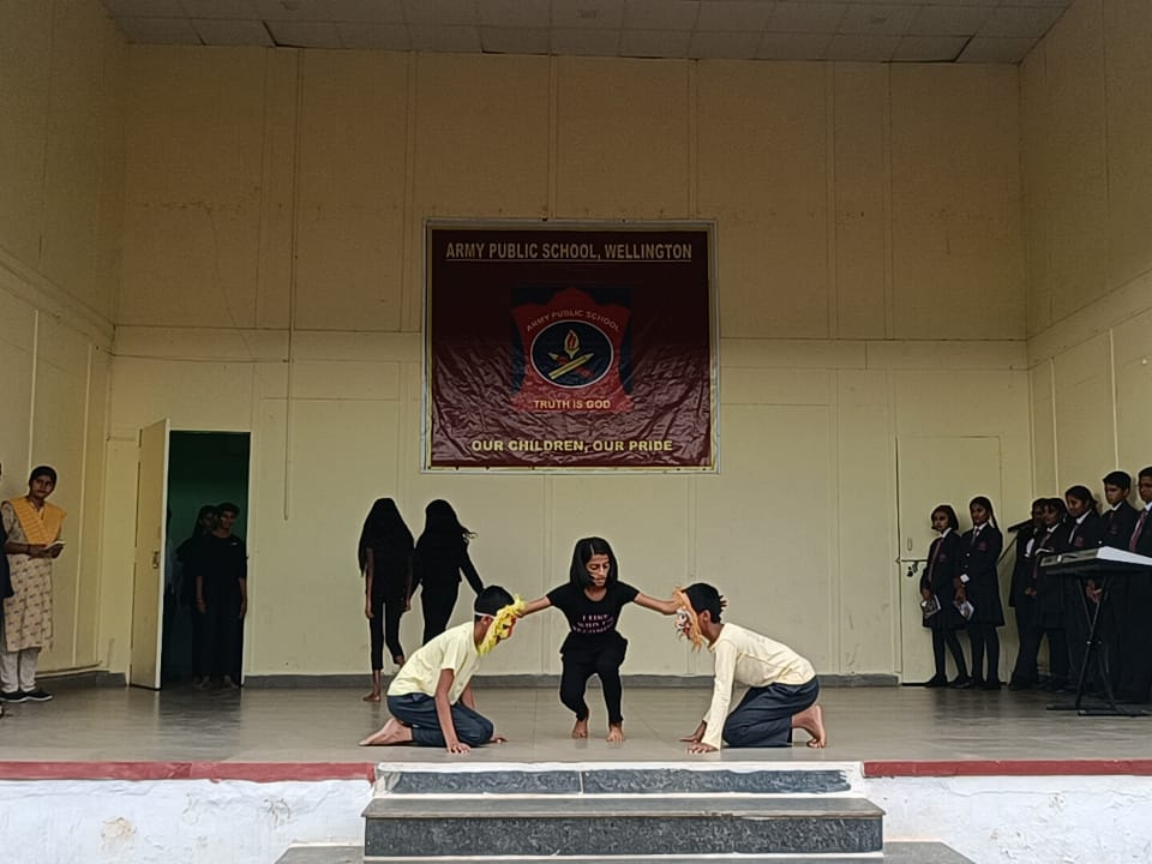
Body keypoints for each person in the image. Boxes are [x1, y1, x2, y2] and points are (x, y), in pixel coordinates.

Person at [518, 536, 679, 742]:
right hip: (577, 649)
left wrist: (695, 600)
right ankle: (582, 714)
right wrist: (500, 612)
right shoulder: (567, 593)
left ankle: (615, 723)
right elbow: (526, 609)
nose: (602, 572)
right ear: (581, 567)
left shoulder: (618, 590)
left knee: (607, 667)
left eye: (606, 566)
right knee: (569, 696)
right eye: (594, 567)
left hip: (608, 645)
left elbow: (664, 608)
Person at [359, 585, 521, 752]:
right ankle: (404, 733)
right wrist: (453, 741)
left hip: (427, 698)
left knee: (485, 729)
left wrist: (473, 723)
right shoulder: (460, 640)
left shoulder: (476, 642)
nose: (507, 633)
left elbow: (464, 685)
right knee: (474, 734)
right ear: (486, 620)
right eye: (504, 626)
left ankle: (468, 731)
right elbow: (441, 693)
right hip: (408, 698)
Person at [673, 582, 825, 752]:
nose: (680, 622)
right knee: (736, 725)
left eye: (686, 614)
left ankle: (804, 719)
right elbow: (727, 687)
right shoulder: (724, 637)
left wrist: (710, 741)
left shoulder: (726, 642)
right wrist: (704, 728)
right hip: (780, 682)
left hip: (797, 685)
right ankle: (796, 721)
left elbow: (722, 692)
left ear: (705, 616)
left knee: (734, 731)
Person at [1, 466, 65, 703]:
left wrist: (54, 550)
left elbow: (53, 544)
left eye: (48, 484)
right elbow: (2, 542)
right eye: (39, 482)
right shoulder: (11, 508)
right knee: (12, 630)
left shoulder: (54, 514)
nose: (42, 488)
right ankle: (9, 685)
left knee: (34, 631)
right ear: (30, 482)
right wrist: (28, 548)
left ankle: (28, 683)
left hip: (41, 579)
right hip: (16, 576)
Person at [357, 497, 414, 702]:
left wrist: (368, 600)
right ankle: (411, 677)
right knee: (392, 637)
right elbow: (410, 572)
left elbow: (371, 572)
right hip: (397, 592)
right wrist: (407, 597)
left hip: (378, 592)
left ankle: (376, 690)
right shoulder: (404, 538)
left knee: (376, 638)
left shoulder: (373, 539)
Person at [189, 502, 247, 689]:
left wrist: (245, 598)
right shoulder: (206, 541)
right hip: (210, 594)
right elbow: (199, 572)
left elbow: (241, 573)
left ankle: (227, 676)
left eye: (232, 517)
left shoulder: (237, 543)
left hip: (231, 595)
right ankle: (205, 676)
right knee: (207, 635)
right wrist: (199, 597)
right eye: (225, 516)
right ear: (218, 518)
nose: (228, 521)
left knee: (229, 635)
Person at [413, 500, 484, 644]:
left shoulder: (425, 540)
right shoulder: (455, 540)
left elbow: (417, 570)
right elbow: (466, 567)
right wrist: (480, 591)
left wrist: (407, 595)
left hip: (430, 588)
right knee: (439, 626)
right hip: (449, 588)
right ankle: (434, 658)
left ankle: (429, 658)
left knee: (431, 626)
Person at [919, 505, 970, 688]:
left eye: (942, 518)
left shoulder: (955, 541)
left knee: (949, 634)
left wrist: (958, 587)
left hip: (946, 593)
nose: (938, 522)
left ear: (950, 520)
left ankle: (963, 674)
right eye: (936, 519)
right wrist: (924, 586)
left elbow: (955, 567)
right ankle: (940, 673)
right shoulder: (935, 544)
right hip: (933, 595)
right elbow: (929, 568)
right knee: (937, 635)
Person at [1060, 485, 1104, 690]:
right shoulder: (1071, 525)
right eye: (1068, 503)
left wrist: (1090, 581)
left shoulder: (1093, 524)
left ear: (1086, 503)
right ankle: (1078, 677)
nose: (1071, 507)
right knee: (1074, 634)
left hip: (1086, 584)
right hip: (1071, 585)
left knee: (1087, 634)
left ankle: (1092, 679)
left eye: (1075, 503)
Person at [958, 496, 1004, 690]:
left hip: (985, 589)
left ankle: (992, 676)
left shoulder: (994, 535)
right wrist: (960, 583)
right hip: (968, 592)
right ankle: (976, 675)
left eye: (980, 511)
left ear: (988, 512)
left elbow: (987, 561)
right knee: (974, 633)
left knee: (988, 632)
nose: (976, 515)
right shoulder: (967, 537)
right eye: (973, 511)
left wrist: (966, 577)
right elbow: (960, 560)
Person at [1117, 468, 1152, 704]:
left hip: (1148, 580)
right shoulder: (1142, 515)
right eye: (1141, 485)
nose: (1143, 490)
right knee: (1136, 637)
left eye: (1148, 485)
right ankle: (1133, 685)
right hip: (1136, 582)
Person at [1031, 497, 1070, 691]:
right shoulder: (1042, 535)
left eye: (1051, 512)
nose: (1046, 516)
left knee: (1058, 636)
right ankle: (1054, 674)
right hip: (1042, 590)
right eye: (1044, 512)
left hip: (1056, 590)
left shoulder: (1063, 534)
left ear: (1061, 514)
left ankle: (1061, 675)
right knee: (1049, 635)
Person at [1008, 499, 1046, 690]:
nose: (1037, 517)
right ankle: (1030, 673)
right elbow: (1020, 564)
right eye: (1034, 513)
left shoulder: (1049, 535)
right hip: (1022, 586)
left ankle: (1021, 675)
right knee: (1024, 633)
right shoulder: (1026, 533)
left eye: (1041, 513)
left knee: (1032, 633)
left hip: (1039, 589)